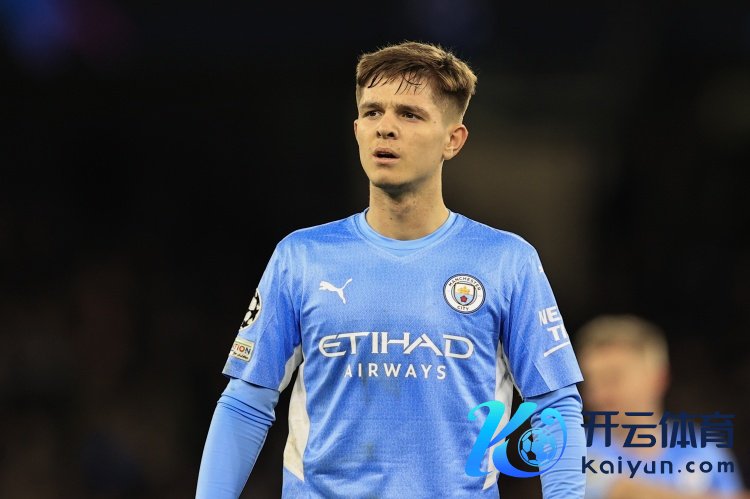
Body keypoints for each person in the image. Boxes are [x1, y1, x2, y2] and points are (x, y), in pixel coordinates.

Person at [196, 41, 586, 498]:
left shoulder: (506, 262)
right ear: (357, 130)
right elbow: (246, 402)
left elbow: (554, 406)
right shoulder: (301, 257)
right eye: (373, 112)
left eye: (410, 114)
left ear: (453, 140)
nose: (385, 127)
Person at [577, 315, 745, 499]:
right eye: (591, 382)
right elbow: (619, 491)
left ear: (658, 378)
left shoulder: (704, 451)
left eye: (612, 379)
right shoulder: (573, 451)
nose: (598, 394)